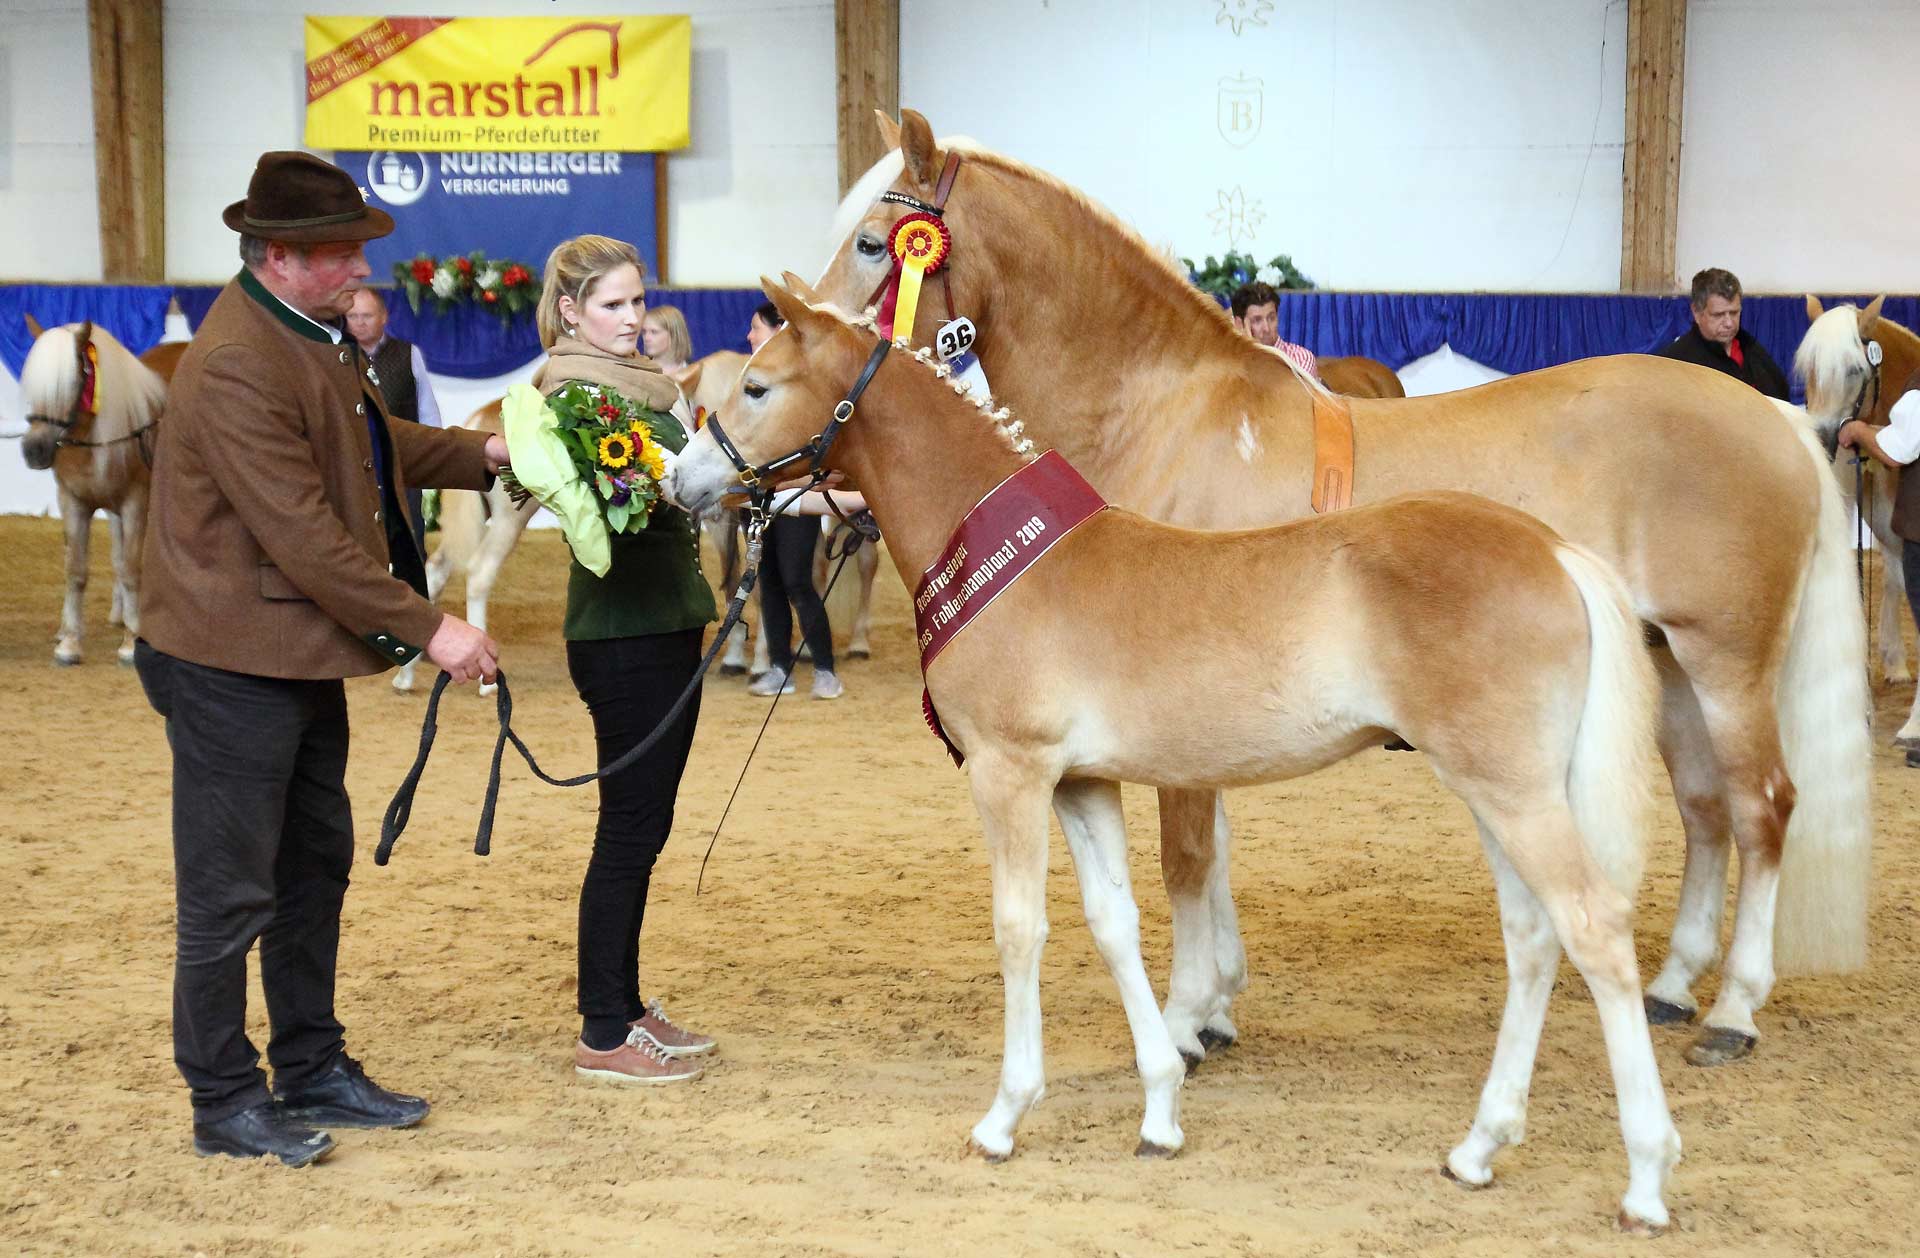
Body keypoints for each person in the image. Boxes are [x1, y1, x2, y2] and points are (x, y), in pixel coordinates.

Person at [134, 151, 509, 1167]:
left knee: (312, 868)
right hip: (226, 663)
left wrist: (483, 454)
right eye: (343, 251)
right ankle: (223, 1098)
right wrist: (435, 628)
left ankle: (310, 1064)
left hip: (286, 655)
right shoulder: (235, 363)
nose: (361, 268)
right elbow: (303, 532)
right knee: (228, 891)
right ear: (282, 255)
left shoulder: (302, 334)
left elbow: (366, 444)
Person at [508, 234, 719, 1085]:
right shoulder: (574, 398)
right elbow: (655, 494)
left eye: (638, 302)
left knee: (646, 824)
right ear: (570, 312)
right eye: (612, 305)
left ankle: (626, 1005)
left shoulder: (641, 390)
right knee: (629, 830)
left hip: (663, 623)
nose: (634, 320)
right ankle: (603, 1029)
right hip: (623, 633)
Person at [742, 303, 845, 700]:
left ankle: (825, 668)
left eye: (756, 328)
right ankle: (780, 667)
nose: (750, 336)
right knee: (768, 583)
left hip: (794, 496)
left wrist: (798, 483)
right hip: (759, 499)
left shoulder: (796, 389)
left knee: (798, 581)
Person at [346, 288, 444, 554]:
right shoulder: (338, 358)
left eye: (367, 315)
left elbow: (427, 408)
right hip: (354, 465)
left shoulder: (408, 353)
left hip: (404, 465)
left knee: (410, 537)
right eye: (353, 316)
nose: (360, 322)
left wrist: (434, 453)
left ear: (384, 317)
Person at [1655, 267, 1790, 399]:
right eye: (1718, 315)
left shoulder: (1754, 352)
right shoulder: (1675, 363)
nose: (1729, 323)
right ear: (1696, 312)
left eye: (1734, 313)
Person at [1229, 281, 1321, 380]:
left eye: (1271, 318)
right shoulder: (1232, 365)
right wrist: (1250, 353)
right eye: (1257, 320)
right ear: (1239, 324)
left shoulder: (1301, 359)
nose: (1267, 328)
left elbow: (1280, 395)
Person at [641, 303, 695, 385]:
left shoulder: (694, 374)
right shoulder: (639, 373)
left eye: (654, 332)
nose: (646, 338)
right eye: (644, 332)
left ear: (674, 334)